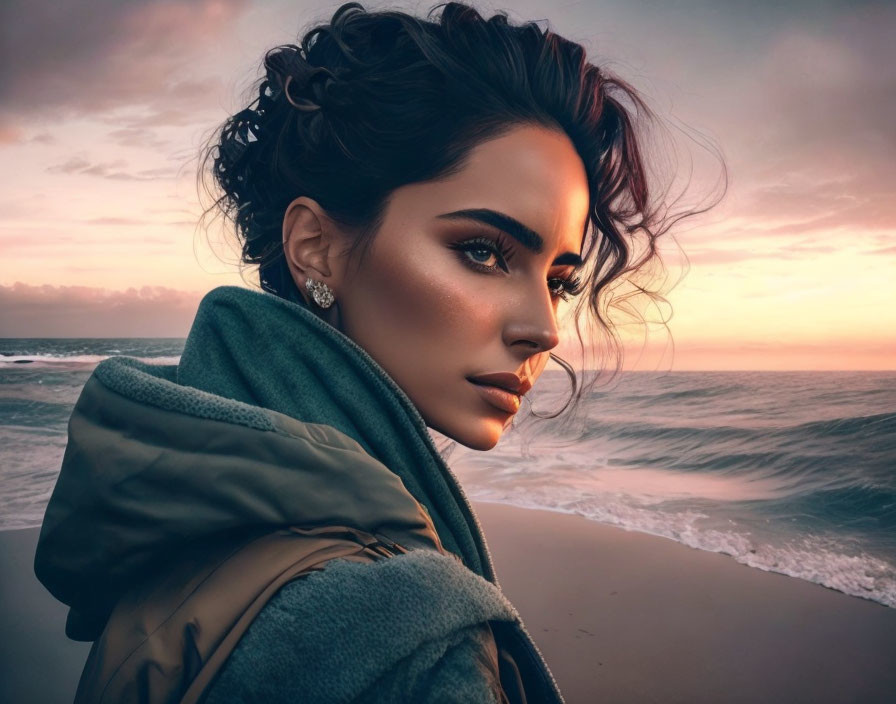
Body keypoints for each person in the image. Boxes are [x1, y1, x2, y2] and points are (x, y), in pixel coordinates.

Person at [33, 1, 703, 701]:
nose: (545, 327)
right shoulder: (401, 643)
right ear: (315, 248)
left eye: (559, 280)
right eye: (482, 251)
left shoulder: (181, 518)